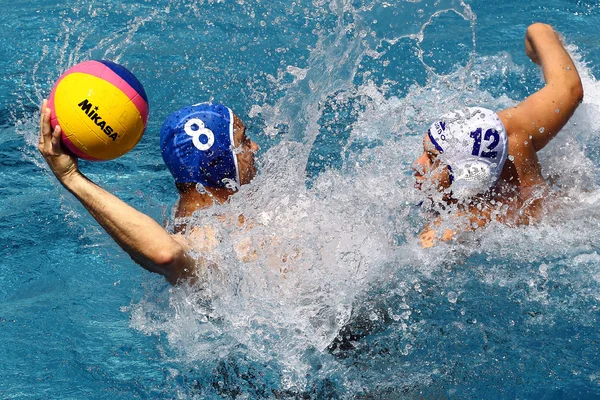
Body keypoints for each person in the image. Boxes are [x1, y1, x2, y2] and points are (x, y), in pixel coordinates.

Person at [38, 101, 259, 284]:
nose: (255, 147)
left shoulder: (189, 215)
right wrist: (71, 177)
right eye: (244, 141)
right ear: (220, 162)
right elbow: (166, 254)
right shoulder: (209, 233)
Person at [413, 23, 584, 247]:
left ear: (467, 176)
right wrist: (537, 34)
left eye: (433, 159)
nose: (418, 164)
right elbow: (568, 86)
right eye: (425, 152)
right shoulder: (512, 127)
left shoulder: (461, 222)